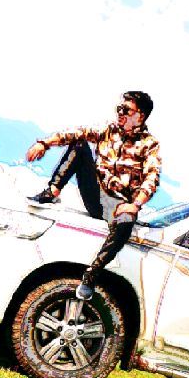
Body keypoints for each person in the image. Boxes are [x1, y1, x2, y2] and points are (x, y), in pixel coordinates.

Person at [25, 91, 161, 300]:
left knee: (127, 220)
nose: (120, 113)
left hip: (117, 204)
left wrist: (135, 204)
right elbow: (75, 133)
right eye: (119, 108)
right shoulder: (108, 130)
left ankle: (92, 274)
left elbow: (152, 176)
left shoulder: (149, 144)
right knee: (80, 144)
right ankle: (52, 191)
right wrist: (44, 143)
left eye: (126, 110)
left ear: (140, 116)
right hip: (95, 194)